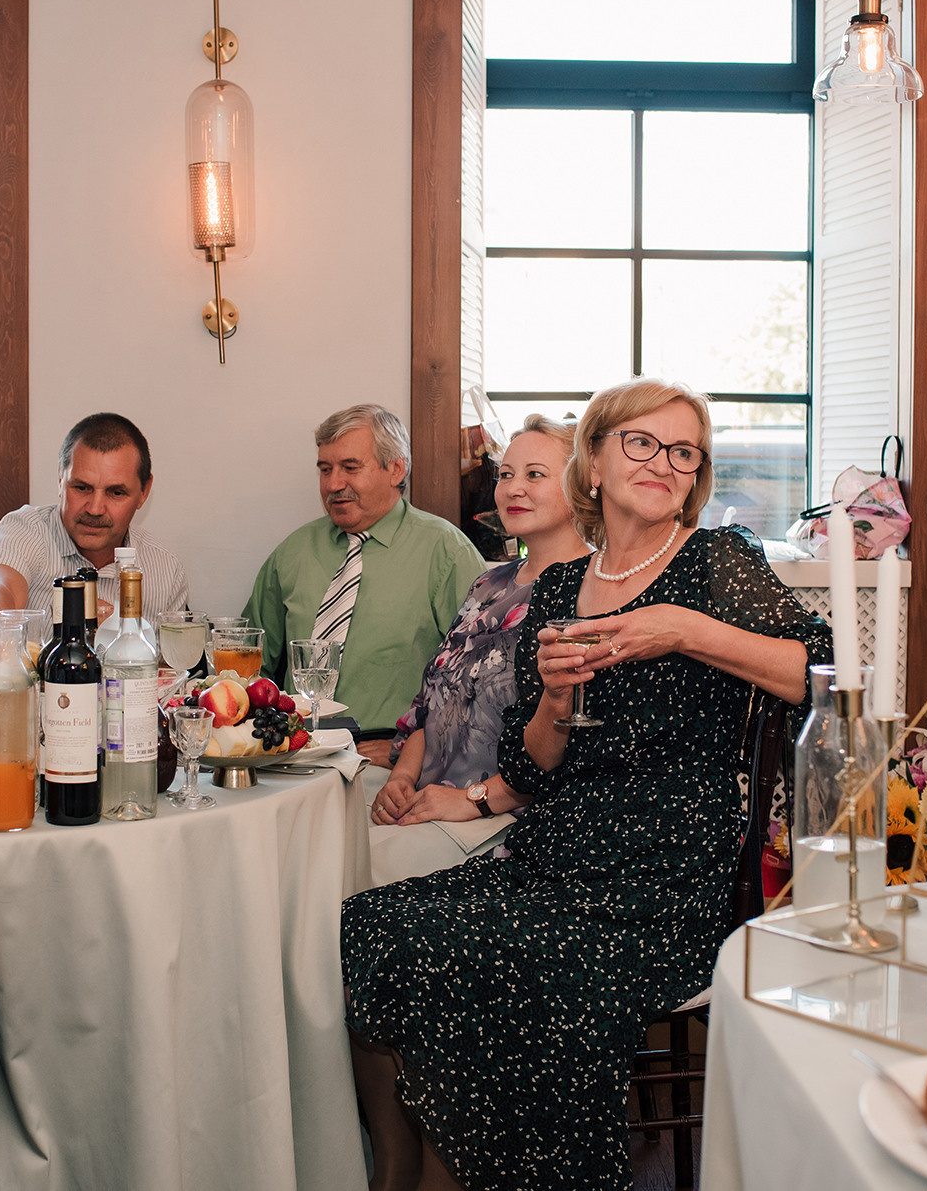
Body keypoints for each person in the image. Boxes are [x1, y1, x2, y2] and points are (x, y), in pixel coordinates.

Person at [341, 378, 830, 1191]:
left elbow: (826, 671)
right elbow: (534, 765)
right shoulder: (564, 587)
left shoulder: (717, 559)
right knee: (374, 924)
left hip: (666, 868)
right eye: (641, 442)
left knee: (497, 958)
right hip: (561, 848)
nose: (664, 463)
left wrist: (686, 630)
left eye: (684, 451)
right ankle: (417, 1158)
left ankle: (465, 1174)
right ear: (594, 461)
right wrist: (557, 697)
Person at [366, 416, 588, 886]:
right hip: (432, 797)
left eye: (535, 474)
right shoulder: (490, 583)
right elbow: (435, 700)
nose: (512, 489)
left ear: (582, 486)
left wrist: (471, 800)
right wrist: (401, 779)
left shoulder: (590, 596)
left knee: (350, 871)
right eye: (506, 474)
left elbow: (573, 749)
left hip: (507, 823)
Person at [242, 404, 486, 754]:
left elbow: (480, 679)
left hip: (394, 758)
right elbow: (248, 659)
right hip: (292, 749)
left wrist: (414, 749)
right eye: (325, 469)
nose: (333, 484)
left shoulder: (446, 553)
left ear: (396, 468)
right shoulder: (294, 552)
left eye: (350, 468)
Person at [0, 412, 188, 629]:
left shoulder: (166, 567)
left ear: (144, 491)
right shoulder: (24, 532)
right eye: (82, 488)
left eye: (116, 493)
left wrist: (127, 633)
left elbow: (175, 661)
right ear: (60, 480)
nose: (95, 509)